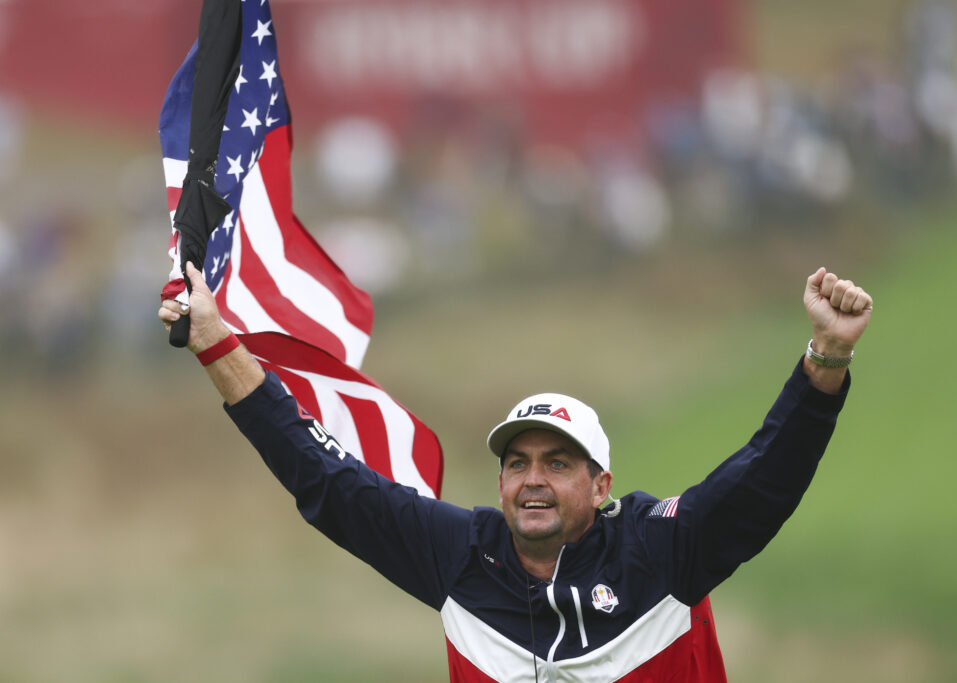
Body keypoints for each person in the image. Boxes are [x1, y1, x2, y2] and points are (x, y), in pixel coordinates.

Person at [159, 263, 873, 682]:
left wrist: (826, 359)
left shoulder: (662, 549)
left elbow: (765, 475)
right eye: (517, 462)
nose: (532, 478)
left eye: (558, 463)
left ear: (600, 486)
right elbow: (327, 482)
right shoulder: (461, 553)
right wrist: (218, 345)